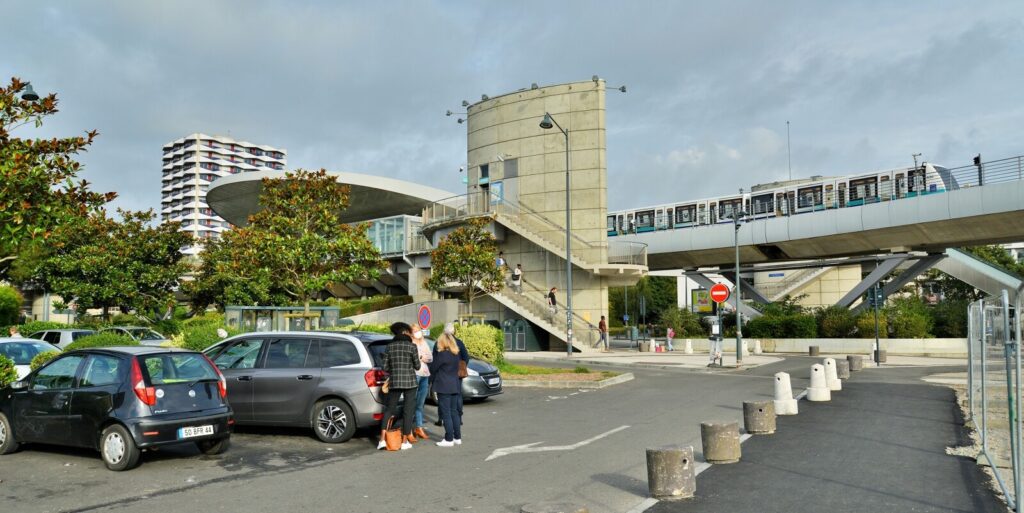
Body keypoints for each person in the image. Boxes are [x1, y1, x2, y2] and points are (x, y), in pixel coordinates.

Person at [378, 322, 421, 450]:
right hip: (410, 382)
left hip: (395, 382)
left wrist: (394, 369)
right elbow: (417, 366)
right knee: (408, 411)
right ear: (403, 332)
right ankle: (404, 442)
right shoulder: (412, 346)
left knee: (389, 410)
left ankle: (382, 440)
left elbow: (384, 367)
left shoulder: (389, 347)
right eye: (408, 331)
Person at [429, 331, 463, 447]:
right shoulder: (455, 354)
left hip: (443, 386)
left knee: (446, 413)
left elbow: (433, 368)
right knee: (454, 412)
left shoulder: (442, 355)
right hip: (455, 385)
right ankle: (457, 437)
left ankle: (448, 439)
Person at [435, 322, 469, 428]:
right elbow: (466, 357)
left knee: (442, 398)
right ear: (454, 331)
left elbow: (435, 359)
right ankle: (458, 419)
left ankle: (441, 419)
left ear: (444, 331)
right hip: (456, 375)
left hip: (443, 376)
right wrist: (460, 368)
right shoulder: (459, 342)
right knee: (457, 396)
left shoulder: (439, 343)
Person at [410, 323, 433, 441]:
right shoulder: (411, 343)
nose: (417, 332)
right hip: (415, 374)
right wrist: (422, 357)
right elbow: (415, 359)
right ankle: (409, 429)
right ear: (411, 333)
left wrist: (421, 357)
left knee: (420, 403)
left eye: (418, 330)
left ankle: (419, 427)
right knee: (411, 403)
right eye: (415, 331)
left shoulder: (423, 342)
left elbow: (430, 357)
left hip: (425, 374)